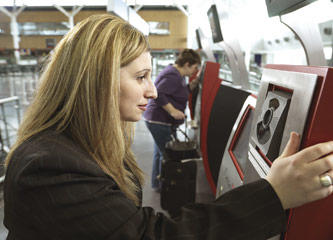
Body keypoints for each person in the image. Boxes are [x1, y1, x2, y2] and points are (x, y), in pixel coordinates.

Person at [3, 14, 333, 240]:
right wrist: (274, 194)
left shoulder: (78, 147)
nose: (153, 90)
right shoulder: (48, 166)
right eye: (140, 77)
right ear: (96, 82)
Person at [143, 49, 201, 190]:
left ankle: (158, 184)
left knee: (160, 153)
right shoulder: (173, 75)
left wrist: (191, 86)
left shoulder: (178, 75)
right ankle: (167, 186)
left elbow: (177, 92)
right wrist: (173, 111)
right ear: (187, 64)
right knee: (169, 155)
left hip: (158, 120)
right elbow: (159, 93)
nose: (195, 71)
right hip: (159, 121)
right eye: (194, 67)